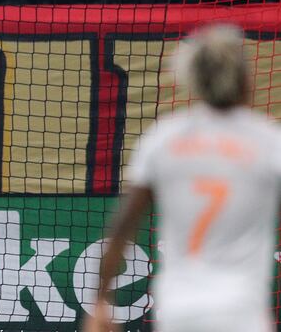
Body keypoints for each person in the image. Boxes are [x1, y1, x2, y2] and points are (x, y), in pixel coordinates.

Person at [84, 23, 281, 332]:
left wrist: (100, 301)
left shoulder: (164, 138)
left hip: (179, 310)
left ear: (193, 79)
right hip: (241, 310)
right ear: (245, 79)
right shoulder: (269, 142)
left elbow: (123, 226)